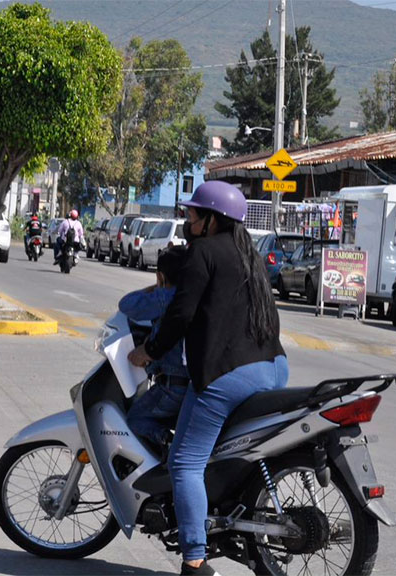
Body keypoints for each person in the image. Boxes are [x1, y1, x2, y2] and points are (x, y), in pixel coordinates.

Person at [128, 180, 288, 576]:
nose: (187, 219)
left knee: (184, 463)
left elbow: (181, 315)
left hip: (229, 376)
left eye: (193, 213)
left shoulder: (204, 251)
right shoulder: (247, 253)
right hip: (273, 367)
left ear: (211, 219)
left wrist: (149, 350)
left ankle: (195, 560)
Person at [120, 247, 189, 451]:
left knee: (135, 419)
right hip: (190, 385)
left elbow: (126, 304)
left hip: (172, 387)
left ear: (161, 276)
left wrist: (156, 287)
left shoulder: (165, 298)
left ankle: (166, 443)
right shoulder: (188, 296)